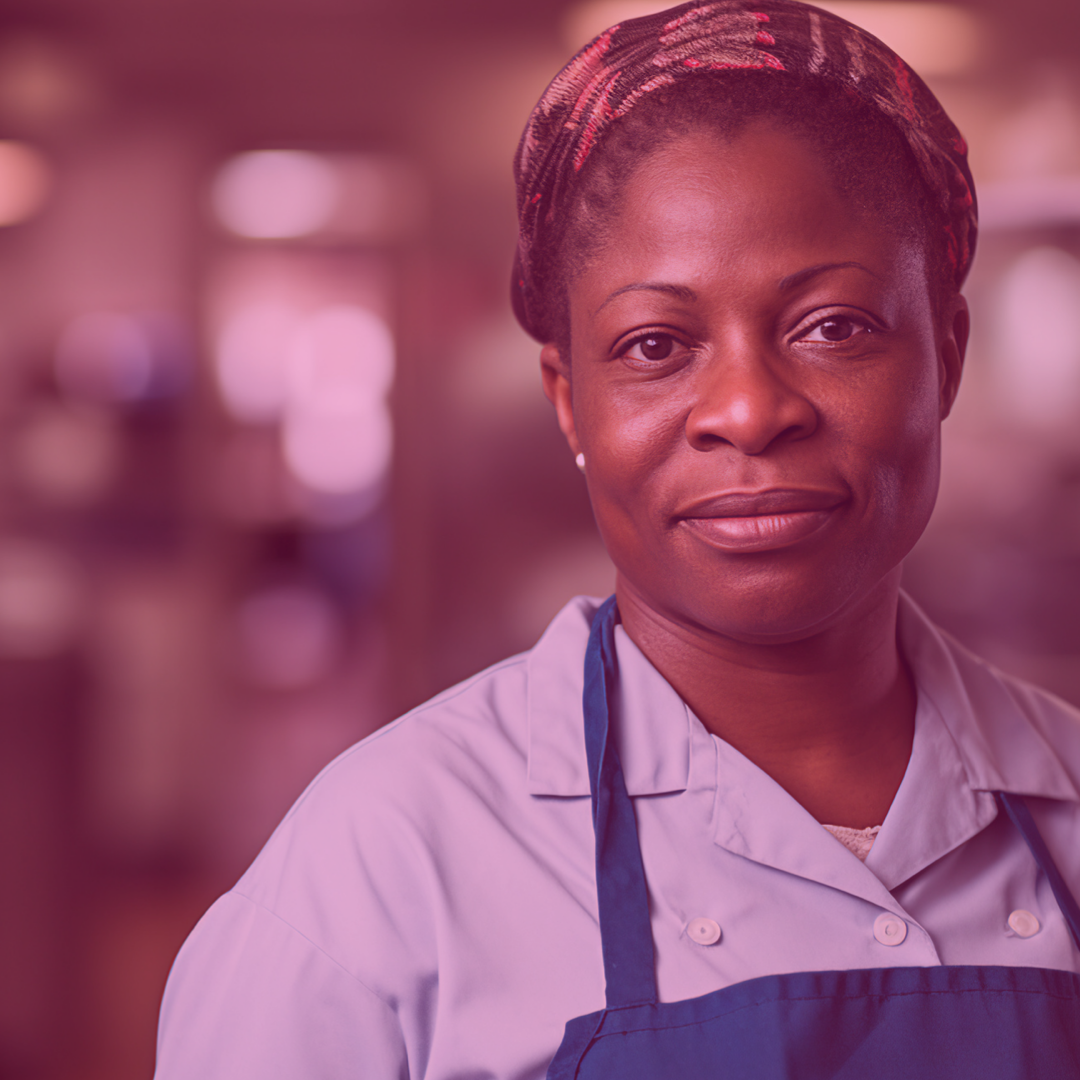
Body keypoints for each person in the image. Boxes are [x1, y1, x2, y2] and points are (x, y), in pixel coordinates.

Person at [154, 2, 1080, 1077]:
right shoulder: (379, 870)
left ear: (947, 355)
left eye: (833, 325)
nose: (747, 408)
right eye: (654, 343)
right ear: (567, 399)